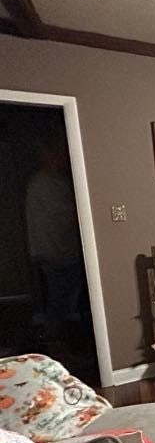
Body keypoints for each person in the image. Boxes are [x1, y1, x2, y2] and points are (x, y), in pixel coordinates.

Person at [25, 138, 84, 341]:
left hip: (64, 252)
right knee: (59, 302)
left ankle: (61, 341)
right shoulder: (43, 184)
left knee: (66, 300)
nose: (63, 159)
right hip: (55, 253)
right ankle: (54, 344)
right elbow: (67, 216)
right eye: (58, 153)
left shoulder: (59, 181)